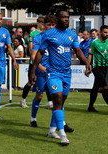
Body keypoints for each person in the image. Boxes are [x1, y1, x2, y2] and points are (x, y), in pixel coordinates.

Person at [29, 10, 91, 145]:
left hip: (66, 73)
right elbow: (39, 52)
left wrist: (86, 63)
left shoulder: (71, 34)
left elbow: (78, 51)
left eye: (67, 17)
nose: (66, 19)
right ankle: (62, 134)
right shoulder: (48, 34)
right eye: (63, 17)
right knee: (56, 99)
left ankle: (52, 130)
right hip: (53, 73)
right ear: (58, 19)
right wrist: (33, 71)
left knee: (61, 103)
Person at [30, 14, 56, 128]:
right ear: (44, 25)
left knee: (57, 97)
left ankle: (61, 123)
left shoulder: (57, 37)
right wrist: (41, 68)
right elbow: (33, 56)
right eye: (48, 24)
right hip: (41, 72)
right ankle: (33, 118)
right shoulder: (38, 38)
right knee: (39, 96)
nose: (50, 27)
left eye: (52, 25)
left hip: (54, 72)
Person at [20, 16, 45, 108]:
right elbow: (31, 49)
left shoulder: (46, 34)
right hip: (34, 63)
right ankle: (23, 99)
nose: (43, 25)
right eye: (42, 23)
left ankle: (51, 102)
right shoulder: (33, 34)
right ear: (38, 23)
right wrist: (34, 58)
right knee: (31, 82)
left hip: (44, 62)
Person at [86, 25, 108, 112]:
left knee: (96, 87)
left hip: (106, 67)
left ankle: (90, 107)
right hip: (97, 68)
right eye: (105, 32)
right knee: (105, 86)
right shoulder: (94, 42)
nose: (107, 34)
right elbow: (90, 54)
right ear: (100, 32)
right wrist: (88, 67)